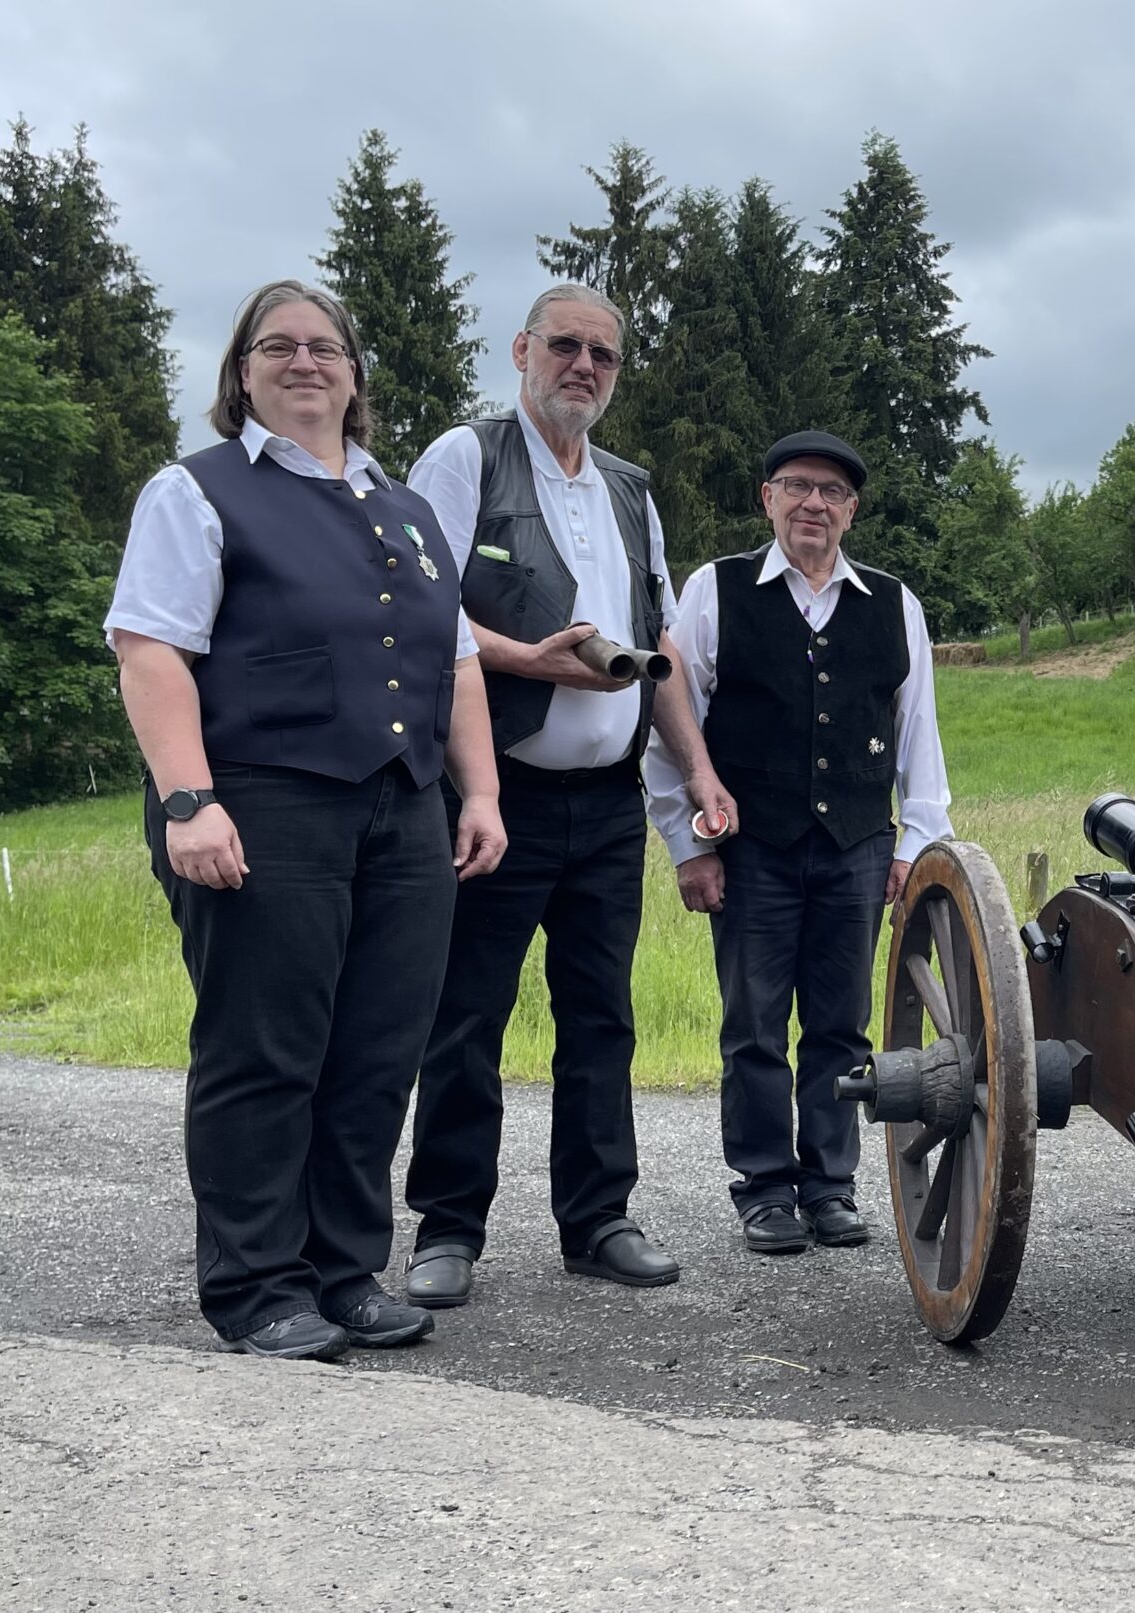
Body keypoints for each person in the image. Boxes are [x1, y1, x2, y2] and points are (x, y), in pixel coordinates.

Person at [106, 280, 508, 1360]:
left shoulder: (405, 506)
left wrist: (478, 791)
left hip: (403, 803)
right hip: (259, 797)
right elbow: (149, 651)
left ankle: (343, 1270)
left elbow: (457, 660)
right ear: (242, 372)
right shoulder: (194, 492)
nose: (303, 362)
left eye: (324, 346)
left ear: (354, 374)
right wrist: (188, 799)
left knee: (377, 1049)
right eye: (276, 346)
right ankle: (255, 1284)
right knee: (265, 1048)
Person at [397, 285, 739, 1309]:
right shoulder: (467, 456)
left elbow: (659, 650)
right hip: (495, 798)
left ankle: (597, 1217)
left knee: (602, 1017)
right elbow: (421, 614)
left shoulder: (632, 489)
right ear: (522, 351)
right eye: (565, 346)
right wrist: (535, 662)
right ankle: (449, 1225)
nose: (583, 365)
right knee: (468, 1017)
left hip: (605, 807)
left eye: (603, 353)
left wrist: (701, 775)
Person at [645, 431, 953, 1255]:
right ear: (768, 498)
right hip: (753, 847)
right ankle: (764, 1189)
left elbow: (918, 733)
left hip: (856, 843)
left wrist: (915, 845)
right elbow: (668, 726)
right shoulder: (715, 590)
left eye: (832, 492)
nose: (814, 503)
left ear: (851, 511)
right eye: (797, 487)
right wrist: (688, 843)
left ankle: (829, 1184)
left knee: (842, 1026)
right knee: (753, 1023)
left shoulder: (894, 602)